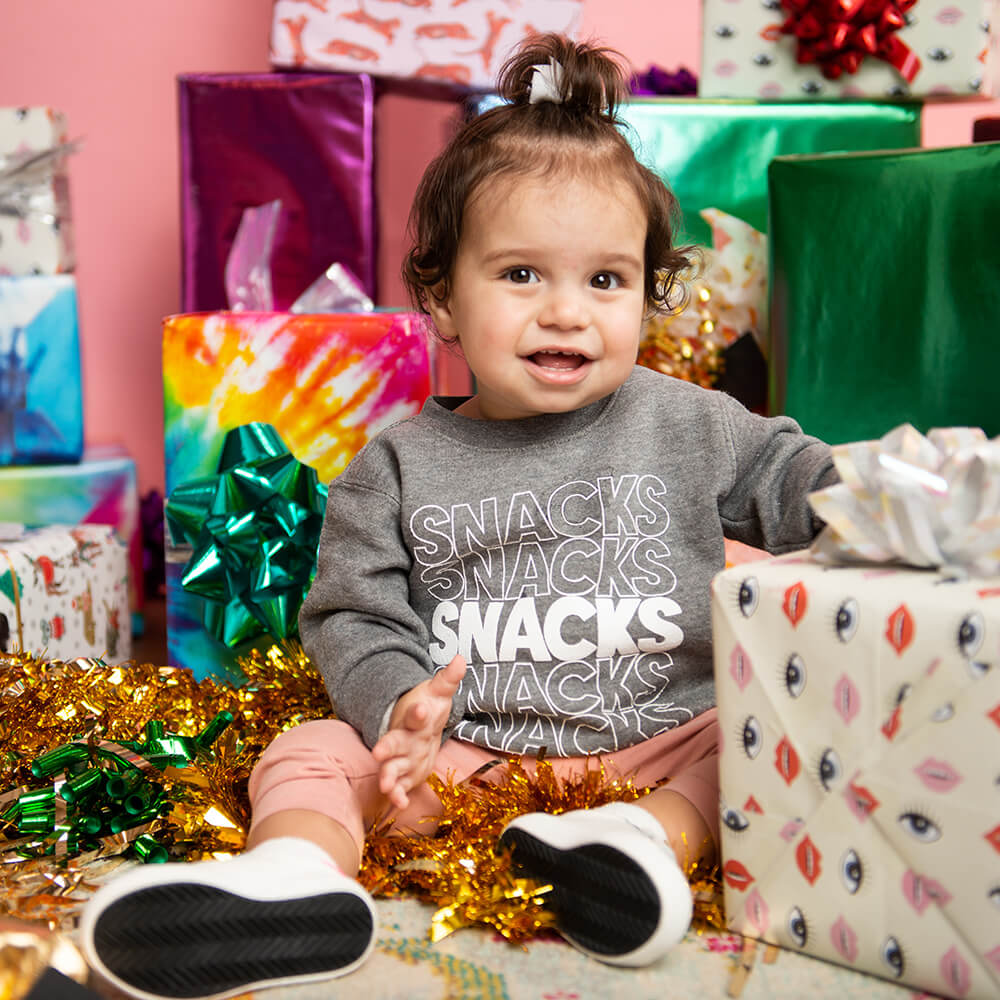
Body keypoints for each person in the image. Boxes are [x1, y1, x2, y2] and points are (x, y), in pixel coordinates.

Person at [80, 33, 836, 1000]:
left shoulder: (688, 422)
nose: (566, 312)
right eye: (522, 275)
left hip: (660, 742)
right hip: (470, 759)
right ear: (440, 297)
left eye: (604, 281)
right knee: (308, 752)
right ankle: (294, 879)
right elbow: (352, 615)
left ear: (647, 297)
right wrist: (401, 708)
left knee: (749, 736)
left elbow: (790, 476)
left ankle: (633, 851)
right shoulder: (395, 465)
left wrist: (864, 494)